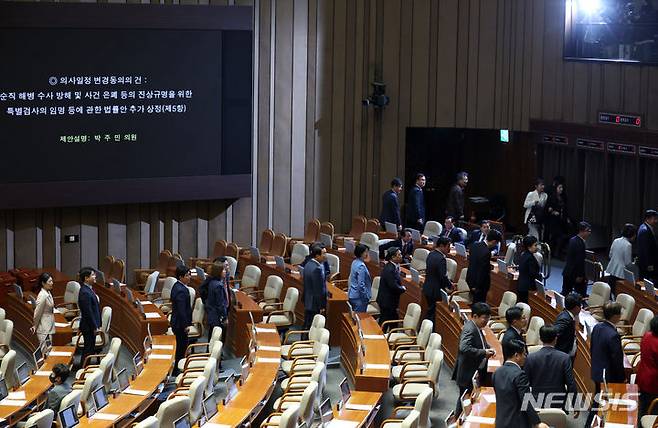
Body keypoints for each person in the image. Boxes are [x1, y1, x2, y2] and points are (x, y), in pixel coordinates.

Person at [452, 302, 496, 417]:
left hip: (472, 371)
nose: (486, 321)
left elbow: (480, 340)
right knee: (464, 400)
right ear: (475, 316)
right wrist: (483, 352)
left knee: (465, 399)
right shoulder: (470, 329)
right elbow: (464, 348)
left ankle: (459, 419)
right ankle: (458, 420)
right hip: (467, 372)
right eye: (484, 318)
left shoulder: (476, 326)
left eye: (488, 318)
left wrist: (487, 347)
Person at [493, 339, 548, 428]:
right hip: (517, 423)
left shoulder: (496, 373)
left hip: (500, 422)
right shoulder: (520, 375)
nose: (525, 357)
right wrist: (537, 422)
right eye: (524, 354)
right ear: (516, 355)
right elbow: (525, 401)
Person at [524, 325, 577, 410]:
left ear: (540, 339)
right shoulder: (565, 358)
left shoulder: (530, 358)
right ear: (556, 339)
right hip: (557, 402)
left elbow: (525, 383)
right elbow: (571, 383)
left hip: (536, 402)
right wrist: (575, 405)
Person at [589, 302, 626, 425]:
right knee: (606, 407)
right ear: (615, 316)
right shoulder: (613, 335)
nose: (621, 315)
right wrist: (622, 379)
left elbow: (592, 348)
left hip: (596, 371)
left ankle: (589, 423)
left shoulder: (597, 327)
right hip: (608, 377)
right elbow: (617, 361)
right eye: (620, 313)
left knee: (597, 402)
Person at [422, 236, 453, 325]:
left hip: (427, 287)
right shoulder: (441, 259)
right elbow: (442, 276)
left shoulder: (431, 254)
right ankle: (429, 331)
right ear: (442, 246)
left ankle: (425, 328)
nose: (449, 248)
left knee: (430, 310)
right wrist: (449, 286)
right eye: (448, 246)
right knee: (433, 313)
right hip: (436, 291)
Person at [466, 229, 502, 303]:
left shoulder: (475, 245)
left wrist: (472, 284)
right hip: (480, 286)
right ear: (494, 241)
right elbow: (482, 272)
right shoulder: (486, 252)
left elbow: (472, 264)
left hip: (470, 280)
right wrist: (477, 287)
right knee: (478, 306)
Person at [377, 247, 406, 328]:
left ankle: (392, 335)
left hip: (389, 300)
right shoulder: (390, 269)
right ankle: (380, 338)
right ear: (393, 257)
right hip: (387, 301)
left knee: (392, 320)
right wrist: (402, 288)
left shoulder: (392, 266)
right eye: (399, 255)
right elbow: (393, 286)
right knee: (385, 322)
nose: (401, 256)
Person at [77, 267, 101, 365]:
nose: (95, 276)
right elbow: (88, 312)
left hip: (89, 325)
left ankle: (85, 368)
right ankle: (83, 370)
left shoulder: (88, 290)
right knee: (88, 350)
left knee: (90, 349)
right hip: (89, 326)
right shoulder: (85, 292)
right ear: (86, 278)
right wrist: (95, 326)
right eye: (93, 275)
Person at [606, 224, 636, 298]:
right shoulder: (628, 245)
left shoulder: (616, 240)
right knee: (619, 294)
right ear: (632, 234)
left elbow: (610, 255)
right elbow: (627, 263)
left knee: (611, 291)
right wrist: (634, 263)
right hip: (621, 273)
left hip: (612, 270)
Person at [171, 264, 193, 369]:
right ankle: (177, 369)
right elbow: (182, 311)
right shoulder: (181, 290)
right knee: (181, 347)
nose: (190, 277)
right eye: (187, 275)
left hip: (176, 322)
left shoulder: (176, 286)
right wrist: (186, 326)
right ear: (181, 277)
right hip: (180, 324)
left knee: (180, 346)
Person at [561, 221, 591, 296]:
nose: (589, 233)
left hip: (568, 271)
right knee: (581, 295)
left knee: (565, 293)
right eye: (588, 231)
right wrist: (580, 275)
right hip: (575, 274)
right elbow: (579, 261)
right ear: (582, 231)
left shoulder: (573, 239)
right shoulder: (580, 243)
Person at [637, 315, 658, 419]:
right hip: (654, 384)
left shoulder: (646, 335)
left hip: (642, 377)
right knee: (652, 414)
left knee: (643, 409)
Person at [303, 243, 327, 330]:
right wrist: (322, 306)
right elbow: (319, 290)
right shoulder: (317, 269)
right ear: (317, 255)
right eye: (323, 254)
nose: (325, 256)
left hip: (308, 299)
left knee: (307, 322)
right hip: (315, 302)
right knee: (312, 326)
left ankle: (303, 340)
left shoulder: (308, 264)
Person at [204, 259, 229, 342]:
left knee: (211, 335)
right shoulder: (219, 286)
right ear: (219, 272)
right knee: (217, 338)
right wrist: (225, 317)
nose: (225, 272)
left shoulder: (212, 282)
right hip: (217, 316)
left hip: (211, 313)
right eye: (223, 270)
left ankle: (209, 351)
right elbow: (221, 304)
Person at [545, 182, 570, 259]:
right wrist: (552, 211)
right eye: (559, 188)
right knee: (553, 237)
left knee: (560, 237)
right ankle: (551, 253)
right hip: (553, 221)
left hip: (561, 221)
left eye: (562, 188)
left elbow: (565, 209)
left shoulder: (563, 197)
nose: (561, 189)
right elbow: (547, 208)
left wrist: (567, 218)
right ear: (556, 188)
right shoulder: (551, 197)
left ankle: (556, 253)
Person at [554, 293, 581, 359]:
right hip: (563, 356)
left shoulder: (566, 314)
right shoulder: (565, 320)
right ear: (577, 308)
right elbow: (554, 333)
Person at [31, 272, 55, 344]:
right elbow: (37, 313)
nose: (52, 283)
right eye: (50, 281)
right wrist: (35, 325)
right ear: (43, 283)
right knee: (45, 351)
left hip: (48, 325)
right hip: (44, 327)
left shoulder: (48, 292)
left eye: (52, 281)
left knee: (48, 349)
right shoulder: (42, 296)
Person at [517, 235, 542, 304]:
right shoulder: (530, 258)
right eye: (535, 245)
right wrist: (540, 277)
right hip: (528, 288)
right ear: (529, 247)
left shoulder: (523, 255)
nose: (537, 247)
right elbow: (533, 274)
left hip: (521, 285)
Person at [348, 243, 372, 312]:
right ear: (361, 253)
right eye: (366, 252)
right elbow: (361, 284)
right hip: (359, 298)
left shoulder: (354, 262)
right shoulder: (361, 266)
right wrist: (366, 296)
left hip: (352, 294)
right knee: (359, 318)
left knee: (353, 318)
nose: (367, 254)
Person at [638, 209, 658, 283]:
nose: (656, 221)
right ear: (647, 219)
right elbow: (645, 249)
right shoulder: (645, 230)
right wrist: (649, 265)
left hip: (646, 263)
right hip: (647, 264)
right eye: (654, 219)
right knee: (647, 282)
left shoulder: (644, 227)